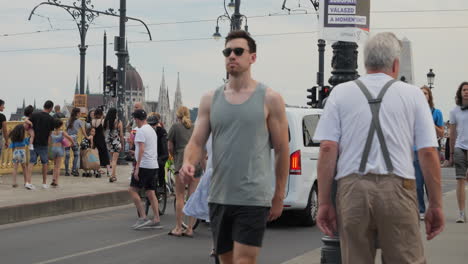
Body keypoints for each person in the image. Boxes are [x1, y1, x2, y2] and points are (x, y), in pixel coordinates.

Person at [313, 32, 444, 264]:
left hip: (352, 188)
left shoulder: (340, 93)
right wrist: (435, 203)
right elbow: (427, 152)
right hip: (398, 188)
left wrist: (324, 202)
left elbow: (327, 148)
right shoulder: (413, 94)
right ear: (395, 63)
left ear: (365, 62)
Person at [179, 30, 289, 263]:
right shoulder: (211, 99)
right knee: (225, 260)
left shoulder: (270, 98)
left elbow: (281, 150)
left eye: (238, 51)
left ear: (253, 57)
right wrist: (188, 162)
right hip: (219, 195)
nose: (232, 56)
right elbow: (197, 141)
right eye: (227, 52)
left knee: (244, 260)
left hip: (253, 196)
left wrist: (278, 195)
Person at [128, 109, 163, 229]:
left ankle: (142, 217)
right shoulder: (152, 130)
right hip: (153, 164)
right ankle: (157, 218)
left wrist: (137, 168)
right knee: (150, 192)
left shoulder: (141, 131)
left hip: (144, 165)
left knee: (132, 190)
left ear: (137, 119)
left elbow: (141, 149)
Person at [168, 106, 200, 238]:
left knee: (180, 195)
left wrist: (174, 155)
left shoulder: (175, 127)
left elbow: (170, 146)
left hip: (182, 161)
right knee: (192, 197)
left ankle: (179, 227)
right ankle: (190, 228)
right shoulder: (195, 127)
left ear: (178, 116)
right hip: (195, 162)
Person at [413, 86, 444, 219]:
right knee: (418, 184)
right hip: (415, 150)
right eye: (420, 93)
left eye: (425, 93)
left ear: (429, 96)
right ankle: (421, 209)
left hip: (431, 149)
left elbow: (442, 133)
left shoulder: (437, 112)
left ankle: (434, 208)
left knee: (431, 182)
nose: (423, 95)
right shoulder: (413, 112)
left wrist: (431, 124)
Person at [449, 81, 468, 223]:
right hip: (460, 147)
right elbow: (452, 133)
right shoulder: (454, 111)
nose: (466, 92)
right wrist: (450, 154)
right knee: (460, 180)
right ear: (460, 93)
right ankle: (461, 213)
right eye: (464, 90)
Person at [26, 100, 55, 189]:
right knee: (45, 163)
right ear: (51, 108)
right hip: (43, 143)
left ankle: (28, 182)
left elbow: (26, 125)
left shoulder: (34, 115)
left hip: (33, 143)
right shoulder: (51, 119)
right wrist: (50, 145)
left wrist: (31, 133)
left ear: (44, 106)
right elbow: (50, 133)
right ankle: (44, 183)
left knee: (31, 162)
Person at [50, 118, 74, 187]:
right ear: (60, 125)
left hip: (53, 149)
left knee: (54, 166)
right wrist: (71, 144)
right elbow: (70, 138)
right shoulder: (62, 132)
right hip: (60, 149)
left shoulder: (52, 132)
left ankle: (53, 179)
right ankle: (56, 182)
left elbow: (49, 141)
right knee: (58, 166)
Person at [147, 114, 169, 192]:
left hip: (161, 154)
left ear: (157, 124)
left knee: (160, 167)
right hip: (151, 155)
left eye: (153, 124)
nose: (152, 126)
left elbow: (164, 146)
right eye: (150, 124)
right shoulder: (146, 131)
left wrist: (162, 157)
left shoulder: (162, 131)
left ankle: (161, 184)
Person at [65, 108, 87, 176]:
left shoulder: (68, 121)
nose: (80, 114)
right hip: (74, 139)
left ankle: (66, 171)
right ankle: (74, 170)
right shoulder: (79, 121)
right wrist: (87, 137)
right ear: (77, 113)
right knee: (76, 155)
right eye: (80, 113)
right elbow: (83, 131)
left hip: (67, 139)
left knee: (67, 155)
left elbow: (66, 130)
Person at [104, 107, 124, 183]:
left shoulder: (105, 121)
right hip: (116, 142)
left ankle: (112, 174)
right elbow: (121, 134)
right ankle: (113, 176)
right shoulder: (118, 122)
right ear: (115, 113)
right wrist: (122, 143)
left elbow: (104, 132)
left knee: (111, 160)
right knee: (114, 160)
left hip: (109, 142)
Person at [91, 108, 110, 177]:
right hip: (101, 139)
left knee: (96, 155)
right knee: (105, 155)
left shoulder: (92, 121)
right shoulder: (102, 121)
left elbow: (93, 130)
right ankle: (108, 171)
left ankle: (97, 170)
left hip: (95, 139)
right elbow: (105, 128)